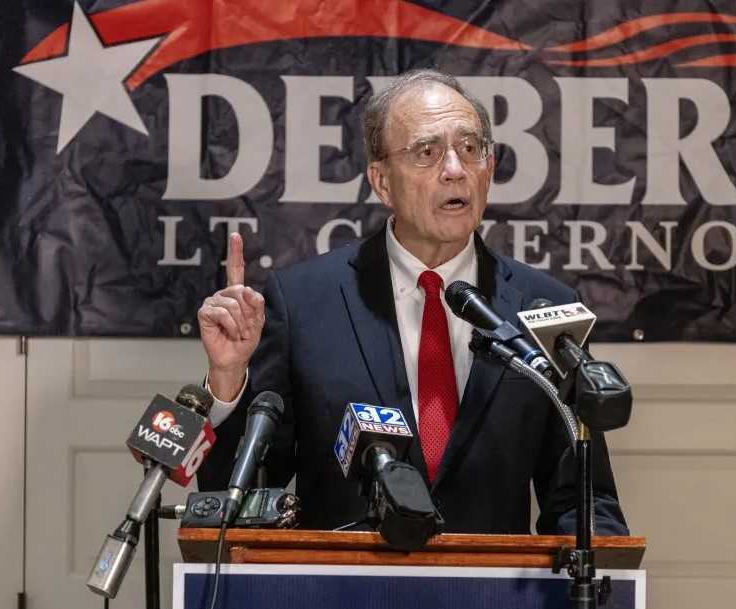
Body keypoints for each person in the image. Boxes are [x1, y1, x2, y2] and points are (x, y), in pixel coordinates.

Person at [195, 68, 626, 536]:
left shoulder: (542, 307)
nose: (455, 169)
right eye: (427, 152)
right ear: (382, 182)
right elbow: (242, 494)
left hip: (493, 585)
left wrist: (603, 565)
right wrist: (227, 380)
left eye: (470, 148)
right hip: (343, 583)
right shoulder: (304, 302)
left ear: (489, 169)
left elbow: (583, 500)